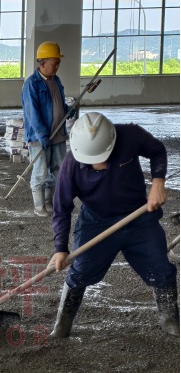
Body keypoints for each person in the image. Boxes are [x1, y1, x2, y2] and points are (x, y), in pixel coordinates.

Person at [48, 111, 179, 338]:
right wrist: (60, 248)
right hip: (97, 220)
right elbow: (61, 209)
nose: (100, 163)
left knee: (159, 266)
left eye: (103, 156)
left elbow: (157, 150)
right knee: (81, 271)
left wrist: (158, 182)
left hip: (138, 216)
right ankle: (62, 325)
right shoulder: (71, 166)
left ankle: (170, 320)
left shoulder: (129, 134)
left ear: (112, 141)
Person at [22, 41, 69, 217]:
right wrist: (41, 134)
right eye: (54, 63)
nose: (57, 67)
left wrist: (66, 110)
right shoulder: (32, 84)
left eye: (58, 63)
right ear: (42, 63)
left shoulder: (56, 80)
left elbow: (57, 103)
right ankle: (39, 206)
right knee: (41, 172)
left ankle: (49, 202)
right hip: (39, 138)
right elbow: (32, 113)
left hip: (58, 135)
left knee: (58, 171)